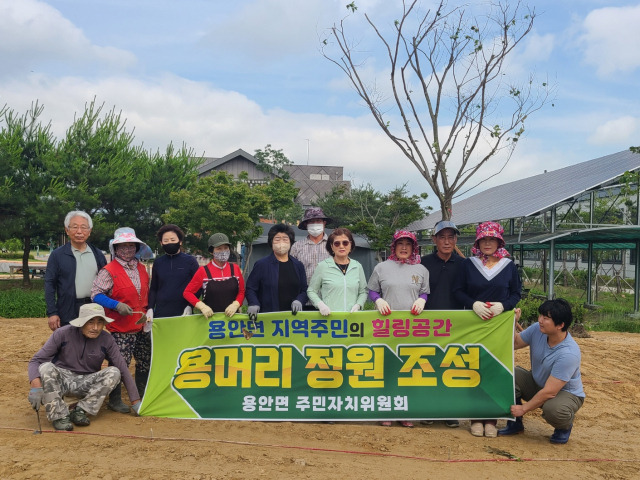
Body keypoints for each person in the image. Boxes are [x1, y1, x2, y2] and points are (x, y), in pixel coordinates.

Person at [453, 221, 522, 438]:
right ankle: (475, 417)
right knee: (475, 368)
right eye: (484, 239)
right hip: (474, 323)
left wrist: (505, 305)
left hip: (498, 326)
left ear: (499, 241)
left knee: (495, 369)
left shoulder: (509, 266)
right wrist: (473, 303)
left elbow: (516, 293)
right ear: (478, 242)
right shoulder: (468, 265)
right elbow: (458, 291)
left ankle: (491, 419)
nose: (488, 243)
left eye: (492, 239)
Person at [27, 303, 141, 431]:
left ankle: (80, 410)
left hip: (87, 382)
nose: (96, 328)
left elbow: (122, 368)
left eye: (100, 322)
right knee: (46, 367)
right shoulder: (62, 334)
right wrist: (35, 387)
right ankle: (58, 416)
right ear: (81, 322)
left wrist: (135, 401)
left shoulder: (107, 339)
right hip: (62, 380)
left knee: (114, 372)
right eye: (90, 322)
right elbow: (36, 361)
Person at [498, 299, 585, 444]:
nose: (540, 320)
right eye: (540, 316)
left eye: (546, 318)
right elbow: (514, 343)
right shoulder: (538, 330)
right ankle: (515, 423)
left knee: (554, 410)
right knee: (507, 376)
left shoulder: (569, 353)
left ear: (560, 325)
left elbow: (550, 392)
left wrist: (523, 408)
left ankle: (564, 426)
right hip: (538, 382)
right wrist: (513, 322)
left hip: (565, 393)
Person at [368, 230, 429, 428]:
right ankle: (386, 409)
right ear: (394, 246)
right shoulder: (381, 267)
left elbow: (425, 292)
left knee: (407, 368)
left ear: (414, 248)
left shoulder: (421, 269)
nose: (404, 247)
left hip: (411, 328)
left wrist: (422, 300)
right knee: (387, 368)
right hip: (386, 326)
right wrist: (377, 300)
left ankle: (405, 411)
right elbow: (371, 290)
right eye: (400, 243)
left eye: (408, 244)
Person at [91, 227, 151, 413]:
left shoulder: (141, 268)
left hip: (143, 325)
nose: (127, 249)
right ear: (115, 249)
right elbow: (95, 294)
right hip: (121, 327)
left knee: (145, 360)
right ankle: (115, 399)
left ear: (136, 247)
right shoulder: (108, 271)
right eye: (122, 246)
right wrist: (115, 305)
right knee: (120, 363)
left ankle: (143, 392)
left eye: (131, 246)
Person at [44, 211, 107, 331]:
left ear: (90, 231)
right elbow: (49, 285)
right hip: (67, 309)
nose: (79, 231)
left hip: (93, 308)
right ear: (67, 230)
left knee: (92, 344)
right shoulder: (57, 255)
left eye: (83, 227)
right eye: (74, 227)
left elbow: (107, 283)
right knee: (69, 345)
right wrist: (52, 312)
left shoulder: (98, 254)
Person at [246, 224, 308, 316]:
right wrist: (254, 303)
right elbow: (251, 288)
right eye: (277, 239)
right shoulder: (262, 264)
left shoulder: (298, 265)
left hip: (293, 317)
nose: (281, 243)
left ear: (290, 242)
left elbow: (304, 290)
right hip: (269, 316)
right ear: (271, 242)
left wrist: (299, 300)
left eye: (285, 239)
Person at [183, 232, 245, 319]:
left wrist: (236, 304)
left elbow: (241, 292)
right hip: (210, 321)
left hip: (233, 319)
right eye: (219, 249)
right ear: (212, 251)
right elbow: (187, 292)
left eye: (226, 248)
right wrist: (201, 306)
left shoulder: (235, 268)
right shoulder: (203, 271)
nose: (223, 251)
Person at [147, 224, 199, 325]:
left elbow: (198, 287)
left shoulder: (190, 261)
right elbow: (154, 288)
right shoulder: (158, 262)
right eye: (166, 241)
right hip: (161, 313)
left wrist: (190, 305)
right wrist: (150, 308)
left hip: (184, 312)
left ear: (180, 241)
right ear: (161, 243)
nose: (169, 243)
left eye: (172, 240)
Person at [307, 227, 367, 315]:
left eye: (345, 243)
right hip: (330, 318)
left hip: (352, 318)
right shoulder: (322, 266)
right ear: (331, 246)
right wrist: (320, 304)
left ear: (351, 245)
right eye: (337, 243)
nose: (341, 246)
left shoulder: (357, 266)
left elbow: (363, 291)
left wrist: (359, 305)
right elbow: (311, 291)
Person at [290, 207, 332, 310]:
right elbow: (291, 273)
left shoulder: (333, 244)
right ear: (305, 224)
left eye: (318, 220)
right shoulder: (297, 247)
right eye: (311, 221)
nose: (315, 223)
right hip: (303, 302)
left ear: (324, 223)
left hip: (329, 301)